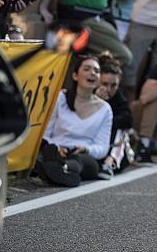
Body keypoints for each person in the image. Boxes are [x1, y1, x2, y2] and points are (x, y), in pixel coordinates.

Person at [38, 55, 114, 186]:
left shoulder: (105, 109)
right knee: (48, 153)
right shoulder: (60, 98)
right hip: (57, 149)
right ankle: (55, 169)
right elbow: (44, 133)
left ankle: (63, 169)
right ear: (75, 76)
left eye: (96, 71)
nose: (92, 73)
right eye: (87, 69)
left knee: (83, 162)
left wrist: (86, 149)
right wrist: (57, 147)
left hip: (83, 155)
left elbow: (102, 147)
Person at [96, 52, 134, 173]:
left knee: (121, 129)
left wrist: (107, 121)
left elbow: (127, 119)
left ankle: (111, 161)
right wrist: (96, 102)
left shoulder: (118, 98)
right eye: (104, 84)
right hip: (89, 140)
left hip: (111, 142)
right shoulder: (88, 95)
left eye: (113, 85)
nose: (108, 89)